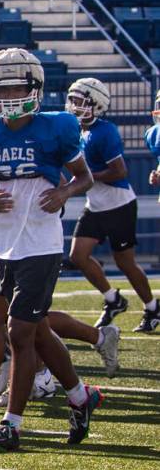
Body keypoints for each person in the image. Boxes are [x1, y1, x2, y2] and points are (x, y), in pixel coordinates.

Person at [0, 48, 101, 451]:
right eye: (0, 87)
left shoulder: (56, 126)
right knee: (37, 331)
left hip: (41, 241)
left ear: (35, 88)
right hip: (4, 242)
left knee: (19, 331)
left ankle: (12, 424)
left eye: (16, 86)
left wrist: (64, 192)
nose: (8, 94)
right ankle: (80, 396)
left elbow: (85, 177)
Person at [65, 78, 158, 333]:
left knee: (125, 262)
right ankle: (112, 299)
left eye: (80, 101)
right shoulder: (78, 131)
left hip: (118, 205)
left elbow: (119, 171)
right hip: (95, 205)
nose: (74, 105)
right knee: (77, 256)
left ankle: (151, 308)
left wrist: (85, 179)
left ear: (97, 104)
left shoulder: (104, 131)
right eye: (72, 99)